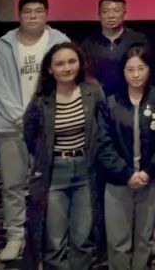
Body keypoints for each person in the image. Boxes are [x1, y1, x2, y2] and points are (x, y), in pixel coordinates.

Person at [0, 0, 70, 262]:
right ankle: (15, 236)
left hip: (49, 126)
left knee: (49, 183)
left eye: (38, 11)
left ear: (46, 14)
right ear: (19, 15)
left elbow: (67, 81)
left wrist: (42, 118)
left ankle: (46, 234)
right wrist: (20, 118)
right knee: (13, 184)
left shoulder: (60, 42)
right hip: (11, 126)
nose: (33, 16)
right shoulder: (3, 45)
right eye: (27, 11)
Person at [22, 42, 104, 270]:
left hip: (86, 171)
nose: (67, 68)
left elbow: (103, 130)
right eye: (59, 64)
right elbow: (30, 136)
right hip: (53, 174)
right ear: (50, 69)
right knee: (54, 241)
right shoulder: (41, 101)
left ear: (80, 63)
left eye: (72, 61)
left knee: (83, 238)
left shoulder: (93, 93)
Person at [95, 46, 155, 270]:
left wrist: (148, 172)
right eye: (130, 69)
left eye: (141, 68)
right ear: (122, 72)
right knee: (118, 241)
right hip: (118, 180)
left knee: (144, 238)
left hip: (151, 179)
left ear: (149, 69)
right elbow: (103, 143)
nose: (136, 74)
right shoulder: (110, 101)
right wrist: (127, 174)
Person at [81, 0, 149, 99]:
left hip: (131, 96)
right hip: (97, 97)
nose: (111, 16)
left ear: (124, 14)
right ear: (99, 15)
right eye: (105, 11)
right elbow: (85, 74)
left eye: (116, 11)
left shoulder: (138, 40)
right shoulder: (88, 43)